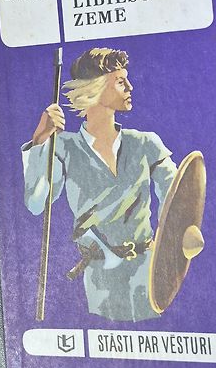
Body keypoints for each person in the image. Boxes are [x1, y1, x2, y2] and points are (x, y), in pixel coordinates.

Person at [21, 47, 177, 322]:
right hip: (100, 284)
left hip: (150, 278)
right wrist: (40, 140)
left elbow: (179, 198)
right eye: (120, 81)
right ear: (95, 88)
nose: (130, 87)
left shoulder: (146, 143)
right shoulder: (64, 147)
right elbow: (35, 203)